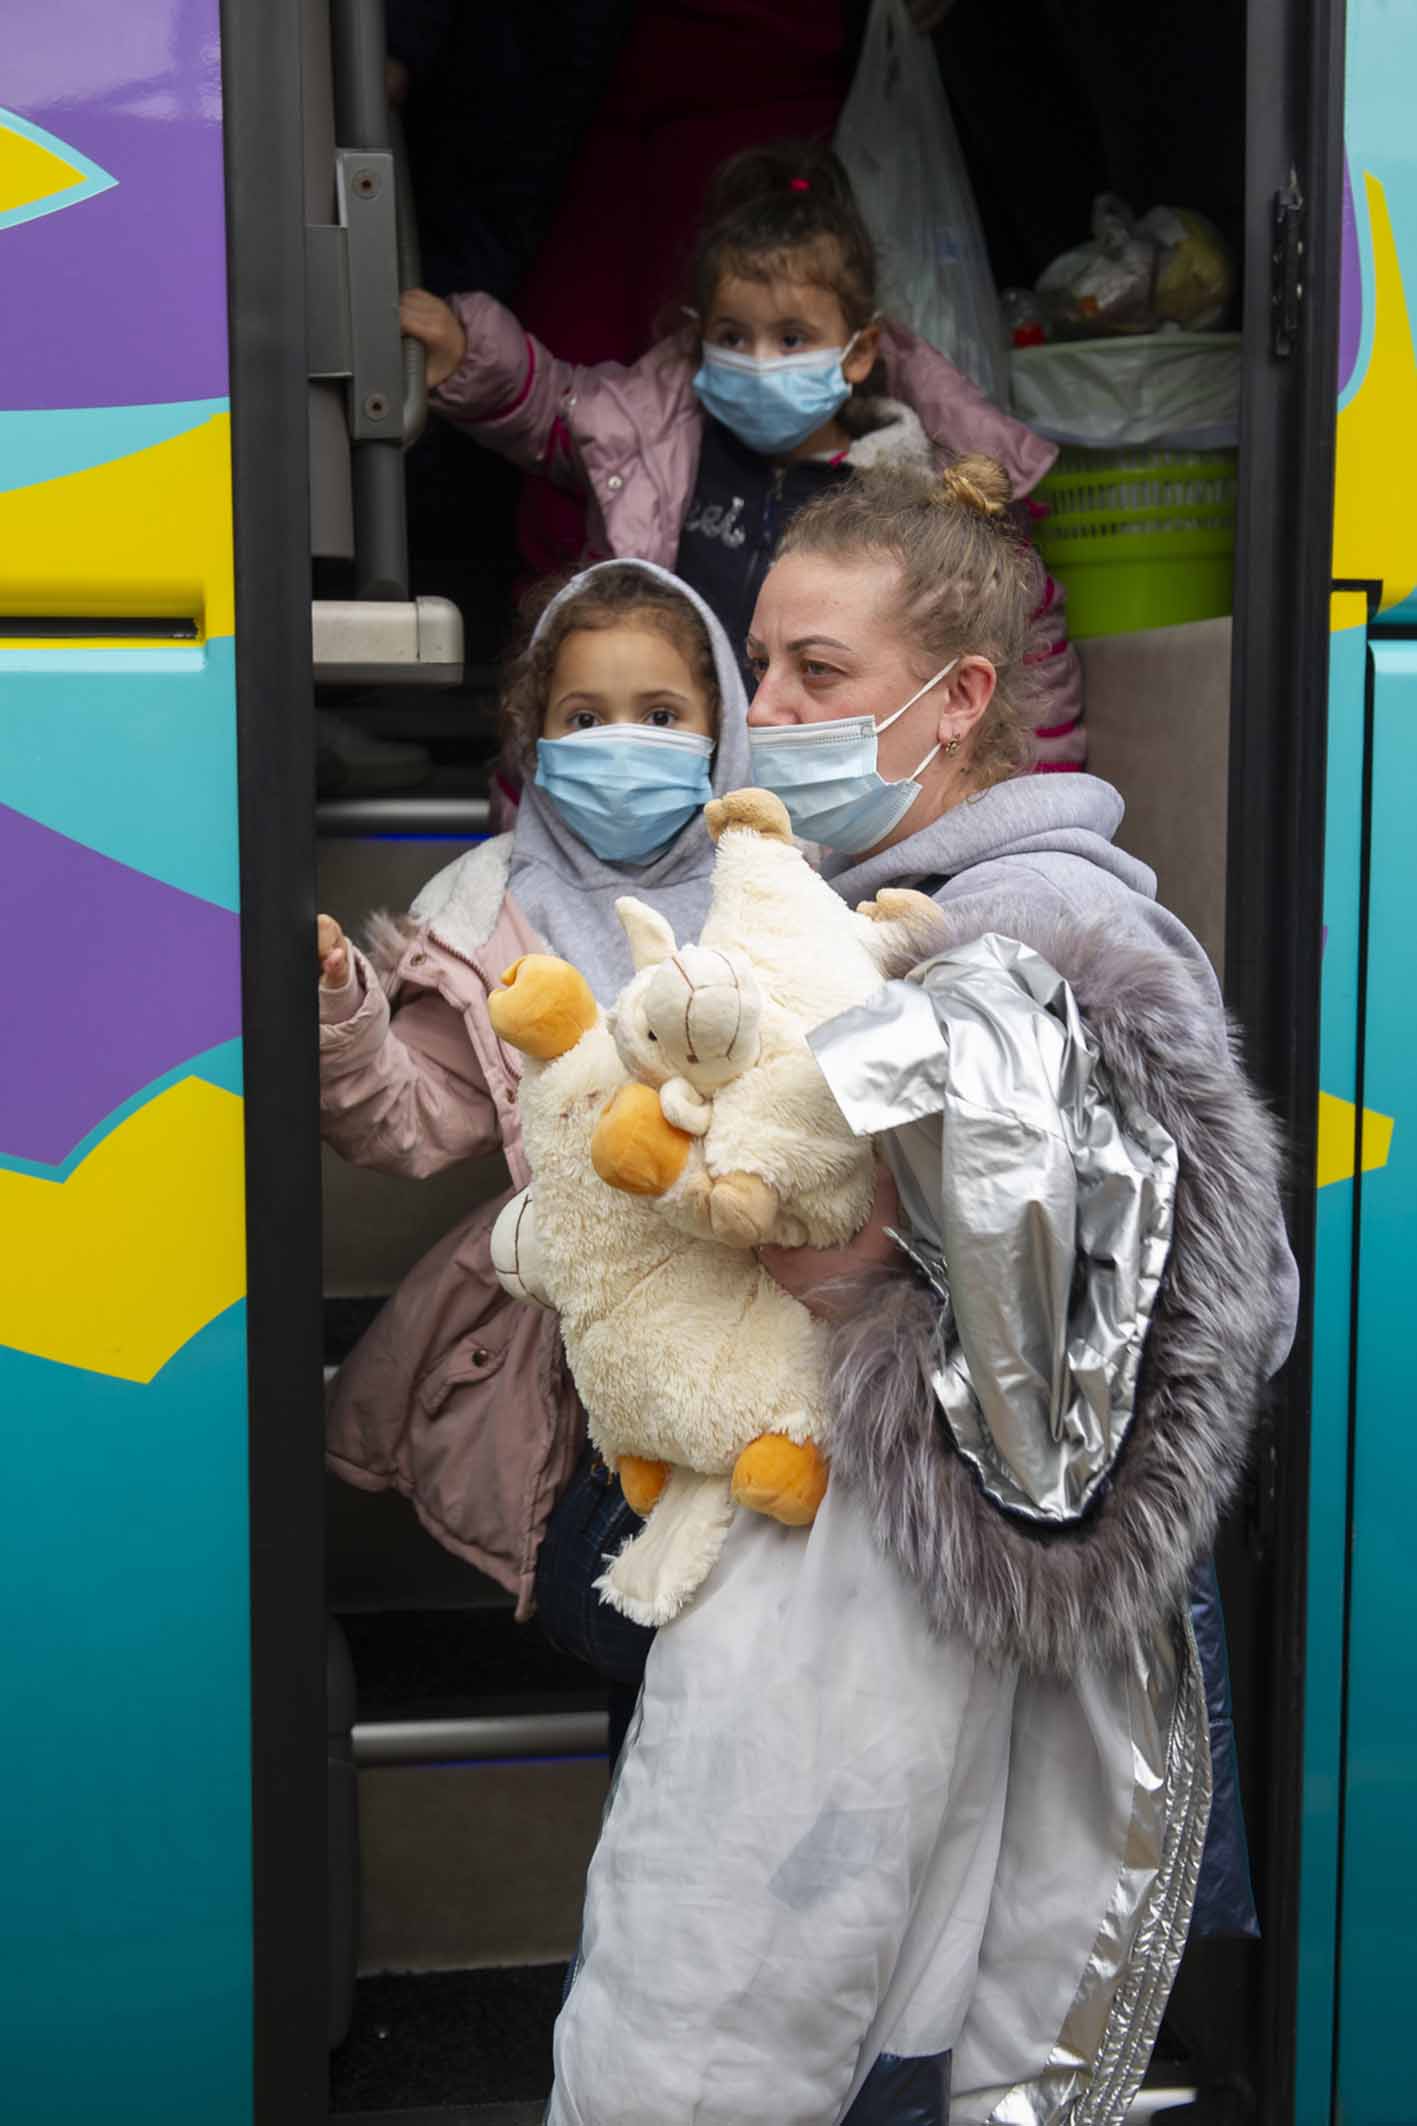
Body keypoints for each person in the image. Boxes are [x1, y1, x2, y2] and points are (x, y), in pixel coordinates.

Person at [544, 459, 1298, 2123]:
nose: (777, 705)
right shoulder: (840, 917)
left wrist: (859, 1289)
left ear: (958, 697)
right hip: (876, 1657)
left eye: (825, 670)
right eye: (766, 667)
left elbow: (1222, 1307)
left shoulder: (1033, 930)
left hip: (950, 1672)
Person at [317, 561, 750, 1754]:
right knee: (639, 1638)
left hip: (768, 1341)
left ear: (723, 730)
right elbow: (401, 1120)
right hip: (588, 1367)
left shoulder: (781, 886)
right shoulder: (490, 912)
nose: (623, 742)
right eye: (583, 716)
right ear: (537, 738)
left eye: (661, 716)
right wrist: (343, 1010)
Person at [398, 139, 1087, 770]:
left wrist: (1034, 798)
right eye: (732, 335)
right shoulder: (657, 443)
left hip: (836, 804)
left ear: (862, 350)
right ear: (698, 336)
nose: (758, 361)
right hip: (671, 783)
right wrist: (466, 355)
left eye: (791, 339)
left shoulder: (917, 487)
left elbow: (1020, 641)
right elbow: (559, 409)